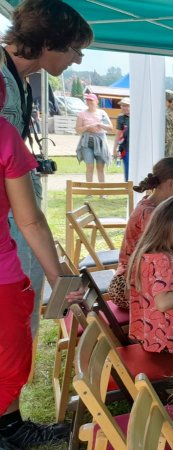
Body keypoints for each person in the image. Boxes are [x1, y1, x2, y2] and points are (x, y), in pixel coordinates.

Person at [1, 0, 92, 390]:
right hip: (11, 220)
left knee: (20, 318)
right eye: (75, 49)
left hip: (16, 213)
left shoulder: (20, 80)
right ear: (51, 42)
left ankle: (10, 420)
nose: (77, 59)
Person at [0, 58, 71, 448]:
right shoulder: (5, 136)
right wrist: (59, 278)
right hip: (2, 279)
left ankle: (11, 428)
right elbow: (31, 222)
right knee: (9, 363)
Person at [107, 157, 173, 308]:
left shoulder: (152, 205)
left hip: (137, 279)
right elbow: (172, 252)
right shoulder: (150, 214)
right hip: (128, 285)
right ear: (171, 183)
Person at [127, 196, 173, 354]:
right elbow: (163, 303)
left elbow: (154, 288)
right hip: (165, 343)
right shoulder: (163, 259)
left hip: (149, 336)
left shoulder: (150, 252)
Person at [75, 93, 113, 182]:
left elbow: (110, 128)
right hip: (87, 142)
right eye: (87, 100)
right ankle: (89, 191)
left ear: (96, 102)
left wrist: (99, 125)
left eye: (91, 100)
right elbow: (77, 130)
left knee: (100, 167)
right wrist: (88, 127)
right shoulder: (82, 114)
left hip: (100, 141)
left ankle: (102, 192)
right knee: (89, 166)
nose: (89, 102)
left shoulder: (102, 113)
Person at [115, 97, 130, 181]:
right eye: (122, 105)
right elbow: (118, 134)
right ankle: (128, 187)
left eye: (126, 105)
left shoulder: (137, 116)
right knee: (127, 167)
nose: (124, 107)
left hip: (137, 148)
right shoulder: (120, 118)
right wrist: (115, 148)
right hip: (125, 148)